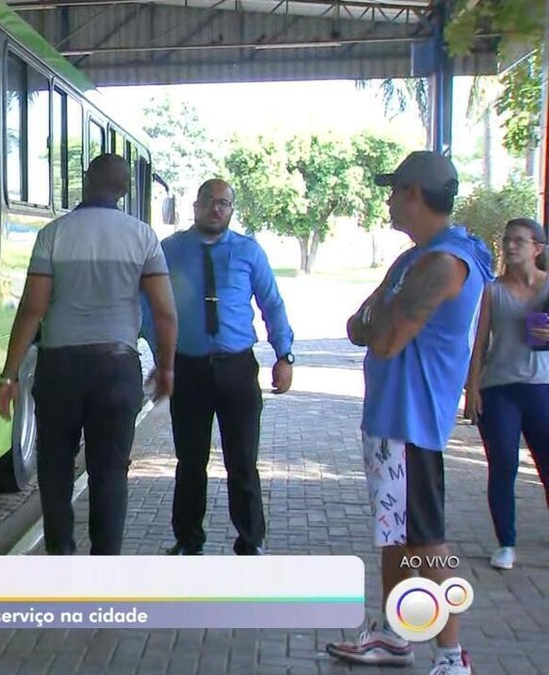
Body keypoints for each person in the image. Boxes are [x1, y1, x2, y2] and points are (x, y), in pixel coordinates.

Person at [326, 151, 492, 675]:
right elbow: (358, 325)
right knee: (397, 536)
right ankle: (395, 635)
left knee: (426, 544)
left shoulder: (443, 263)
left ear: (416, 194)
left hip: (412, 425)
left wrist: (378, 322)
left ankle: (450, 655)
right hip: (390, 423)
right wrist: (376, 322)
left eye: (395, 190)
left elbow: (388, 337)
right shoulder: (414, 259)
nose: (389, 199)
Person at [0, 153, 178, 556]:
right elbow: (164, 311)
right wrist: (166, 367)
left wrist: (9, 375)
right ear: (126, 188)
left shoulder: (55, 234)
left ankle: (61, 556)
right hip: (116, 367)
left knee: (56, 469)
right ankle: (105, 565)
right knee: (110, 471)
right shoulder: (143, 237)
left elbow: (33, 308)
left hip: (60, 368)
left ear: (85, 181)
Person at [141, 178, 295, 557]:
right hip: (188, 370)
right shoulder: (170, 250)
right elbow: (148, 306)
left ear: (231, 210)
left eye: (224, 203)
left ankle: (251, 540)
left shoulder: (248, 252)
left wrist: (284, 354)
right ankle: (188, 539)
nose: (215, 208)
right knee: (189, 462)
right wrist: (162, 356)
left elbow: (271, 304)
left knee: (242, 462)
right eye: (208, 200)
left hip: (237, 370)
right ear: (195, 205)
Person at [464, 217, 549, 571]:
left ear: (537, 248)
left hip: (542, 388)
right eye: (506, 240)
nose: (511, 246)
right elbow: (480, 343)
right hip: (499, 389)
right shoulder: (492, 290)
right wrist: (472, 390)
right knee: (503, 465)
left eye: (519, 241)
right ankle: (506, 543)